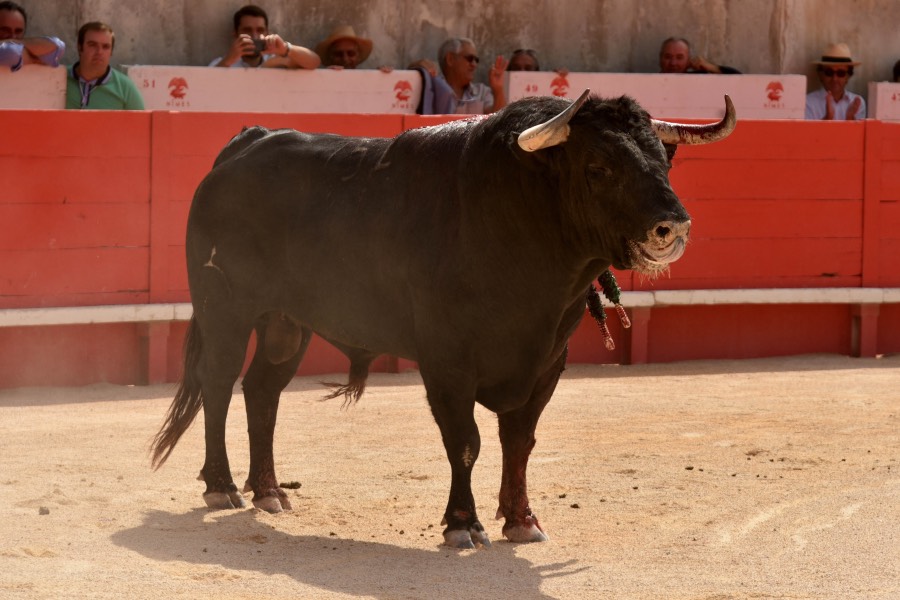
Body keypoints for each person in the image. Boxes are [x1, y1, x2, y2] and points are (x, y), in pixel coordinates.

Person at [209, 4, 318, 69]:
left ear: (267, 32)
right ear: (235, 33)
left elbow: (314, 62)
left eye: (260, 30)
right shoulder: (222, 63)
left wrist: (285, 49)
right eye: (247, 30)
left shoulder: (276, 61)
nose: (255, 36)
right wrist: (229, 60)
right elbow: (205, 90)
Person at [65, 21, 143, 110]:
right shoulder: (60, 79)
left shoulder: (125, 88)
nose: (99, 52)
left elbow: (141, 123)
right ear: (80, 47)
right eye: (92, 45)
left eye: (105, 47)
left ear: (111, 52)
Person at [434, 37, 508, 114]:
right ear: (450, 59)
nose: (474, 64)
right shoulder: (431, 92)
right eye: (470, 58)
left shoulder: (482, 92)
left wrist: (498, 89)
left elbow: (498, 119)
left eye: (476, 60)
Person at [805, 42, 865, 121]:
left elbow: (859, 133)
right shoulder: (808, 102)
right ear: (820, 74)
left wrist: (850, 119)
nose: (834, 78)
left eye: (841, 73)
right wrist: (827, 118)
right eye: (829, 73)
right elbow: (808, 133)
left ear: (848, 76)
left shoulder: (857, 102)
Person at [0, 1, 64, 71]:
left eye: (18, 31)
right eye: (5, 30)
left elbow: (58, 46)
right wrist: (34, 58)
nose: (13, 36)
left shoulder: (17, 45)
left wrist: (13, 41)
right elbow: (11, 53)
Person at [658, 37, 740, 74]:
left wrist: (711, 67)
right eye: (668, 57)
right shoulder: (651, 82)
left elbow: (738, 78)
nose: (673, 63)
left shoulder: (699, 78)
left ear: (688, 61)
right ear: (660, 59)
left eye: (679, 57)